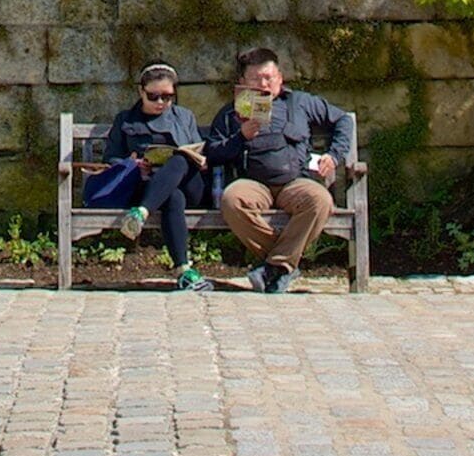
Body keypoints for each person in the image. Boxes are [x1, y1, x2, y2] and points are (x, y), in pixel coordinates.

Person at [205, 47, 347, 293]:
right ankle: (284, 263)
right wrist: (241, 137)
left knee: (320, 200)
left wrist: (333, 156)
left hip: (295, 181)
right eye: (255, 79)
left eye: (268, 78)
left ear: (280, 77)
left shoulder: (299, 103)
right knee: (232, 199)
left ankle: (274, 267)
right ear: (242, 83)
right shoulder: (231, 113)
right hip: (253, 184)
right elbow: (213, 152)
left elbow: (342, 120)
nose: (263, 84)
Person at [91, 63, 213, 290]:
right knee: (172, 197)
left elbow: (198, 150)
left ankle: (141, 213)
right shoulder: (126, 120)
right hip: (145, 186)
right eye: (153, 96)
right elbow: (111, 159)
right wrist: (133, 164)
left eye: (167, 97)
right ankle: (184, 271)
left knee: (179, 159)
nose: (160, 103)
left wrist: (199, 158)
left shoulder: (184, 117)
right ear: (141, 92)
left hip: (189, 185)